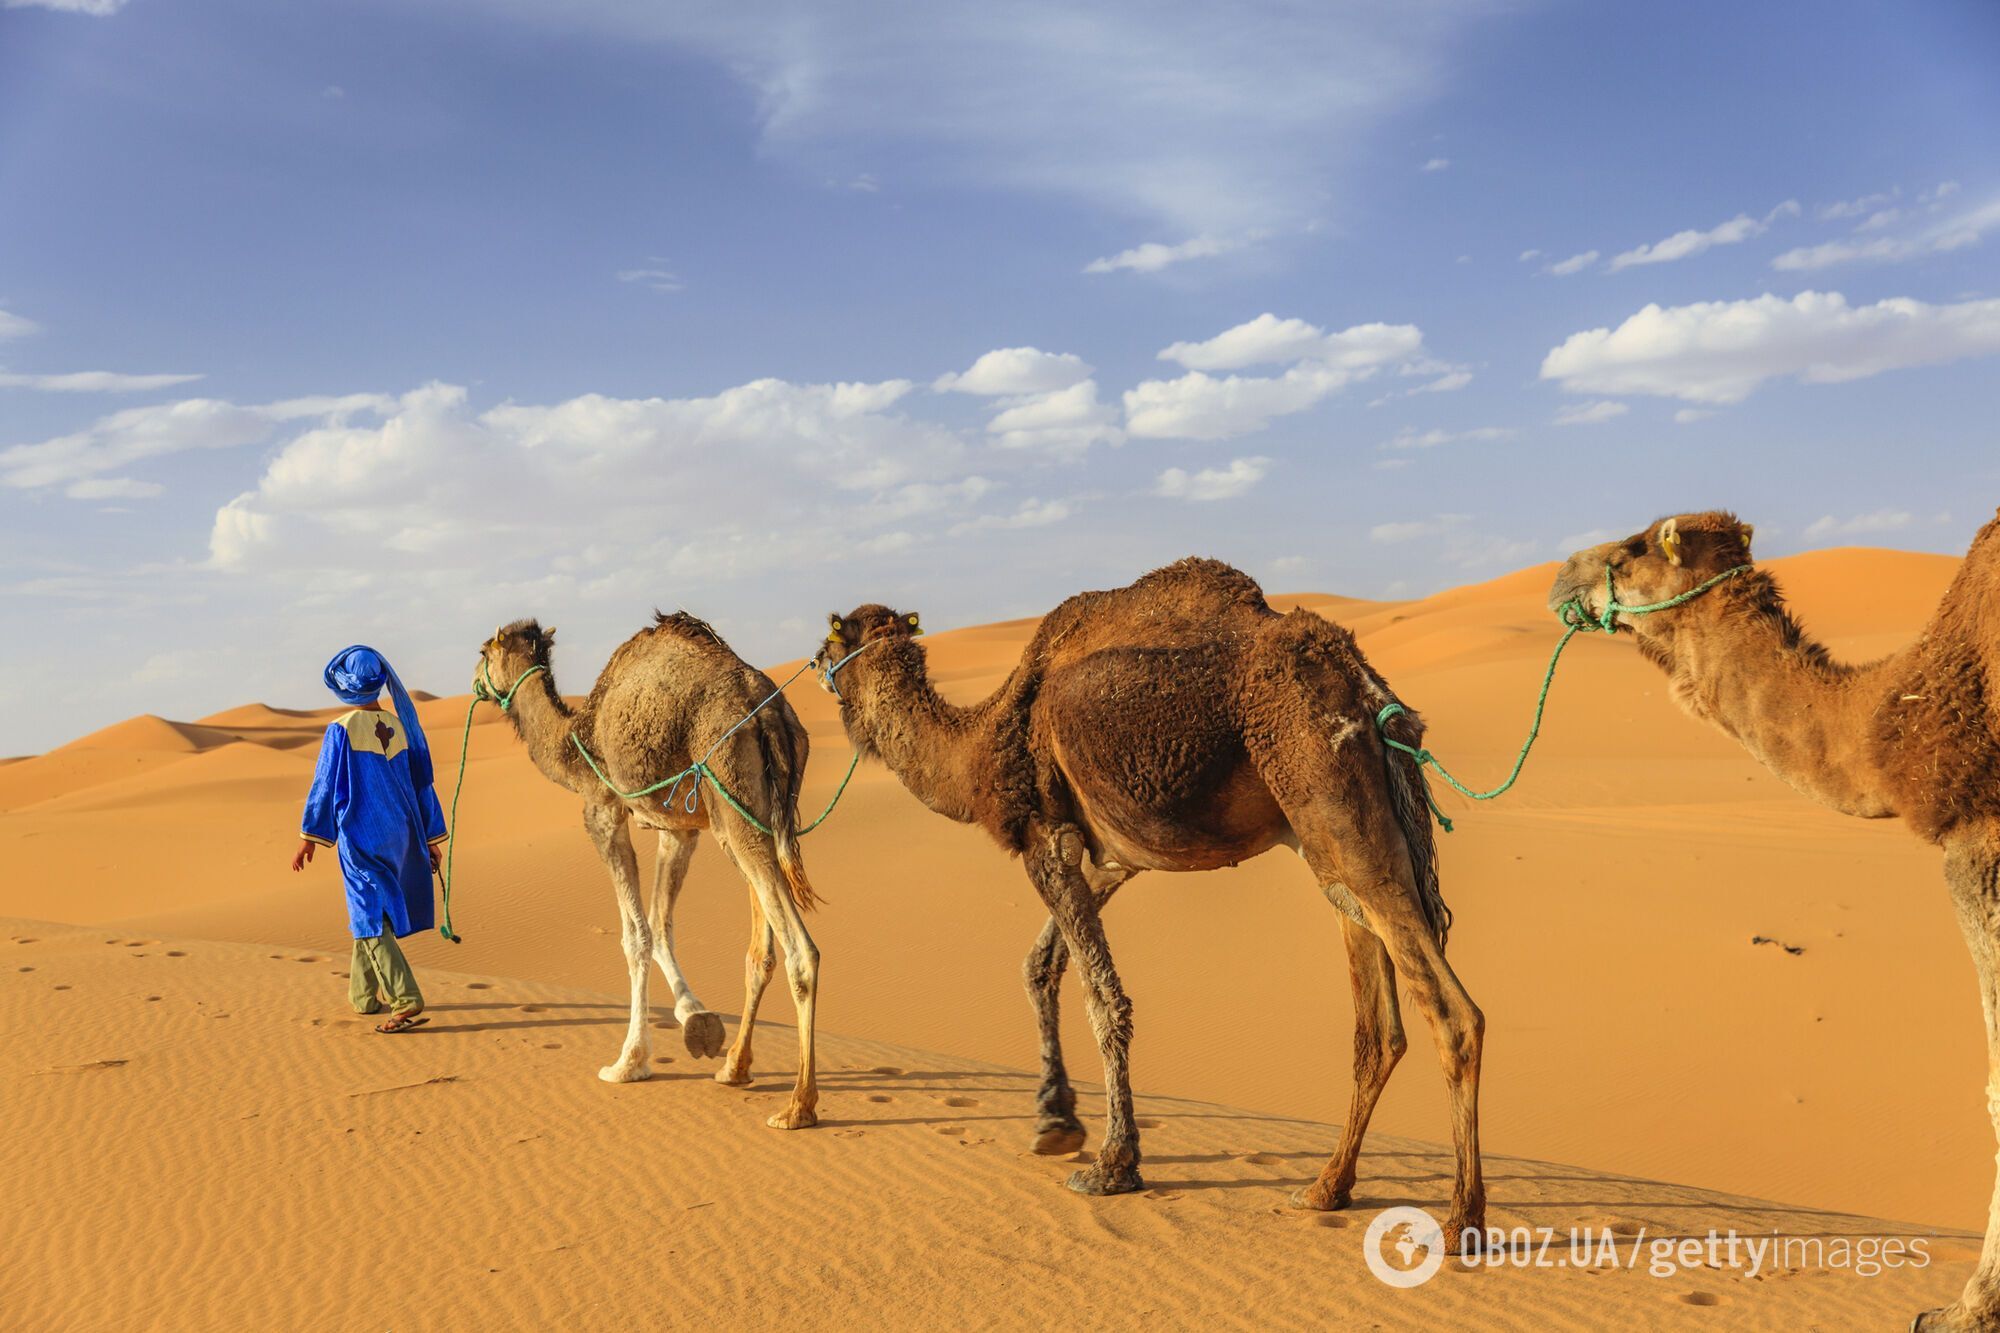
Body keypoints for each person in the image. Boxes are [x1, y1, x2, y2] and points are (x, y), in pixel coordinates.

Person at [291, 645, 447, 1033]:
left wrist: (309, 836)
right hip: (403, 834)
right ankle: (362, 997)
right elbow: (422, 784)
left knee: (370, 913)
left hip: (363, 835)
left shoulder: (341, 729)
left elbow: (325, 785)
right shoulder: (399, 725)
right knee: (368, 909)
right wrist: (429, 836)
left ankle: (405, 998)